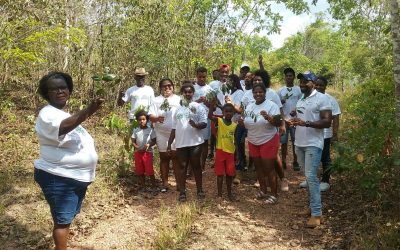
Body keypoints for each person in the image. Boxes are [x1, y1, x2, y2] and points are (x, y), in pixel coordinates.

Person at [34, 72, 103, 250]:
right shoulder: (47, 113)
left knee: (66, 219)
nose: (60, 91)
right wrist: (89, 110)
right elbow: (63, 127)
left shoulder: (62, 113)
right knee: (62, 222)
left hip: (73, 177)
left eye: (63, 87)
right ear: (46, 93)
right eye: (54, 89)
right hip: (58, 177)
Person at [289, 71, 332, 228]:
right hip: (299, 143)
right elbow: (301, 117)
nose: (301, 83)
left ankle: (317, 214)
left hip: (313, 143)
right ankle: (312, 207)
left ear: (313, 83)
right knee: (307, 177)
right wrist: (294, 118)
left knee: (311, 176)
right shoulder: (302, 97)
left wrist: (306, 123)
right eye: (300, 81)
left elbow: (327, 122)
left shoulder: (322, 98)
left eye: (305, 81)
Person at [238, 83, 281, 204]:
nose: (258, 94)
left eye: (260, 92)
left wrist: (269, 117)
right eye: (255, 92)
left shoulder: (272, 105)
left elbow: (277, 123)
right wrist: (241, 122)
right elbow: (246, 123)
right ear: (252, 94)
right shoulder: (249, 107)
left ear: (265, 93)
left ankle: (274, 194)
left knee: (269, 168)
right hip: (253, 140)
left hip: (268, 139)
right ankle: (263, 190)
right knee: (258, 167)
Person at [167, 82, 207, 202]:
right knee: (182, 166)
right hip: (181, 143)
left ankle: (199, 190)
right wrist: (169, 143)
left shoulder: (198, 106)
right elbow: (174, 128)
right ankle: (183, 192)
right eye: (185, 92)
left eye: (190, 92)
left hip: (195, 142)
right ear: (182, 94)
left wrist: (196, 125)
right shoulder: (177, 109)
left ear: (193, 93)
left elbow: (204, 123)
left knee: (196, 166)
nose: (188, 94)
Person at [252, 69, 289, 192]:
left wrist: (282, 124)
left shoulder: (272, 94)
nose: (257, 81)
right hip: (254, 135)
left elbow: (280, 110)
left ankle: (282, 179)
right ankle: (262, 183)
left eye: (259, 80)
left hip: (269, 134)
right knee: (260, 161)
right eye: (255, 79)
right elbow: (245, 111)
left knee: (273, 158)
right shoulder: (247, 94)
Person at [148, 78, 181, 192]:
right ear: (160, 88)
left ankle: (179, 183)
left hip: (176, 132)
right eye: (164, 86)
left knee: (176, 157)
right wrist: (157, 118)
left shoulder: (179, 99)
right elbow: (150, 115)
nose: (167, 88)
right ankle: (165, 183)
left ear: (173, 86)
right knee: (164, 157)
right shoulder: (156, 100)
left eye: (169, 85)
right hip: (161, 132)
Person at [315, 76, 341, 191]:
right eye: (317, 84)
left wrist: (335, 135)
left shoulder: (331, 99)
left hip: (325, 134)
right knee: (312, 156)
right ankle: (311, 179)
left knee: (325, 157)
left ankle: (325, 180)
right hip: (312, 133)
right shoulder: (310, 97)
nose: (319, 87)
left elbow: (335, 117)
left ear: (325, 86)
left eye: (321, 85)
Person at [208, 103, 237, 201]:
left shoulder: (234, 125)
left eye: (230, 111)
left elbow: (235, 141)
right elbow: (210, 116)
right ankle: (219, 195)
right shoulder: (219, 121)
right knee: (220, 174)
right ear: (223, 113)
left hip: (230, 152)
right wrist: (211, 106)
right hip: (220, 151)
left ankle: (229, 193)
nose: (228, 113)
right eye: (226, 111)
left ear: (233, 113)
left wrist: (236, 155)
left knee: (230, 174)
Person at [277, 67, 302, 171]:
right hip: (284, 120)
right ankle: (283, 161)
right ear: (285, 77)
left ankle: (295, 161)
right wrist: (281, 102)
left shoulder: (298, 90)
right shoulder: (280, 91)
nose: (288, 77)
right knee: (283, 142)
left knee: (295, 141)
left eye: (290, 76)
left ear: (294, 77)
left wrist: (296, 110)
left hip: (295, 120)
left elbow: (302, 102)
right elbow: (278, 106)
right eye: (287, 76)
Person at [193, 67, 213, 171]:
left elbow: (213, 106)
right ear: (196, 76)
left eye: (204, 77)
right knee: (193, 141)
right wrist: (197, 101)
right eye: (200, 76)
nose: (202, 79)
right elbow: (186, 104)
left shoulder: (209, 89)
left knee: (205, 142)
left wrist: (207, 103)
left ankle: (202, 165)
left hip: (205, 118)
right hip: (193, 118)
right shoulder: (192, 88)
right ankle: (193, 166)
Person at [132, 110, 157, 192]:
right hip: (138, 153)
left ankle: (154, 187)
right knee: (140, 170)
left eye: (144, 119)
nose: (142, 121)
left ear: (147, 120)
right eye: (140, 120)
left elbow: (154, 140)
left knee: (149, 170)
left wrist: (149, 145)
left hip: (147, 153)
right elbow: (133, 141)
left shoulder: (150, 130)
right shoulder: (136, 130)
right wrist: (136, 147)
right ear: (137, 120)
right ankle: (143, 187)